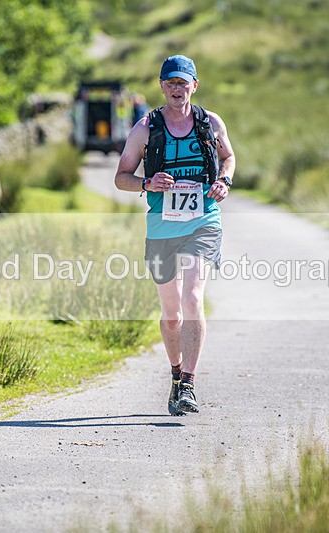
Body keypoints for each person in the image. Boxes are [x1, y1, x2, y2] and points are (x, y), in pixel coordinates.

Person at [114, 55, 235, 416]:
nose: (177, 89)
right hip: (161, 227)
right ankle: (176, 374)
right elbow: (121, 177)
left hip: (204, 222)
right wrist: (147, 182)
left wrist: (224, 180)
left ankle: (189, 385)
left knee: (193, 299)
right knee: (170, 315)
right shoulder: (145, 129)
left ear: (194, 86)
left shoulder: (210, 123)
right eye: (171, 83)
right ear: (162, 86)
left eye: (184, 83)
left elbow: (228, 157)